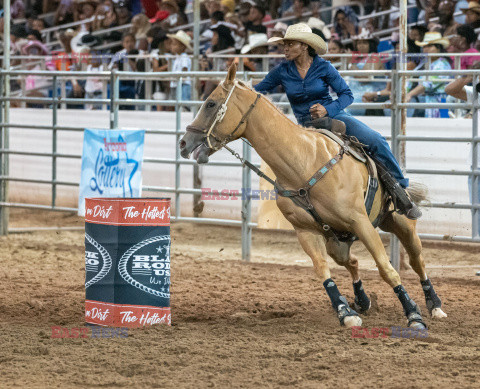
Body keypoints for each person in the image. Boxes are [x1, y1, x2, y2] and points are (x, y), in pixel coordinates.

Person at [253, 23, 421, 219]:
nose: (285, 49)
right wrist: (238, 88)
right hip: (303, 127)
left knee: (376, 141)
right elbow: (258, 89)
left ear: (305, 46)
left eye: (290, 44)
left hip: (333, 117)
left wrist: (327, 109)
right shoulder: (282, 70)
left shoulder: (324, 67)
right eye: (285, 44)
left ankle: (402, 192)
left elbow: (346, 95)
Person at [444, 62, 480, 230]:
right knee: (477, 213)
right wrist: (469, 76)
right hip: (477, 163)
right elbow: (450, 90)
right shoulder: (477, 94)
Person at [407, 32, 452, 118]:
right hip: (427, 100)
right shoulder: (426, 63)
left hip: (440, 101)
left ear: (438, 48)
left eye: (430, 46)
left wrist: (409, 94)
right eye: (424, 46)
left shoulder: (442, 64)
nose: (426, 49)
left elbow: (428, 84)